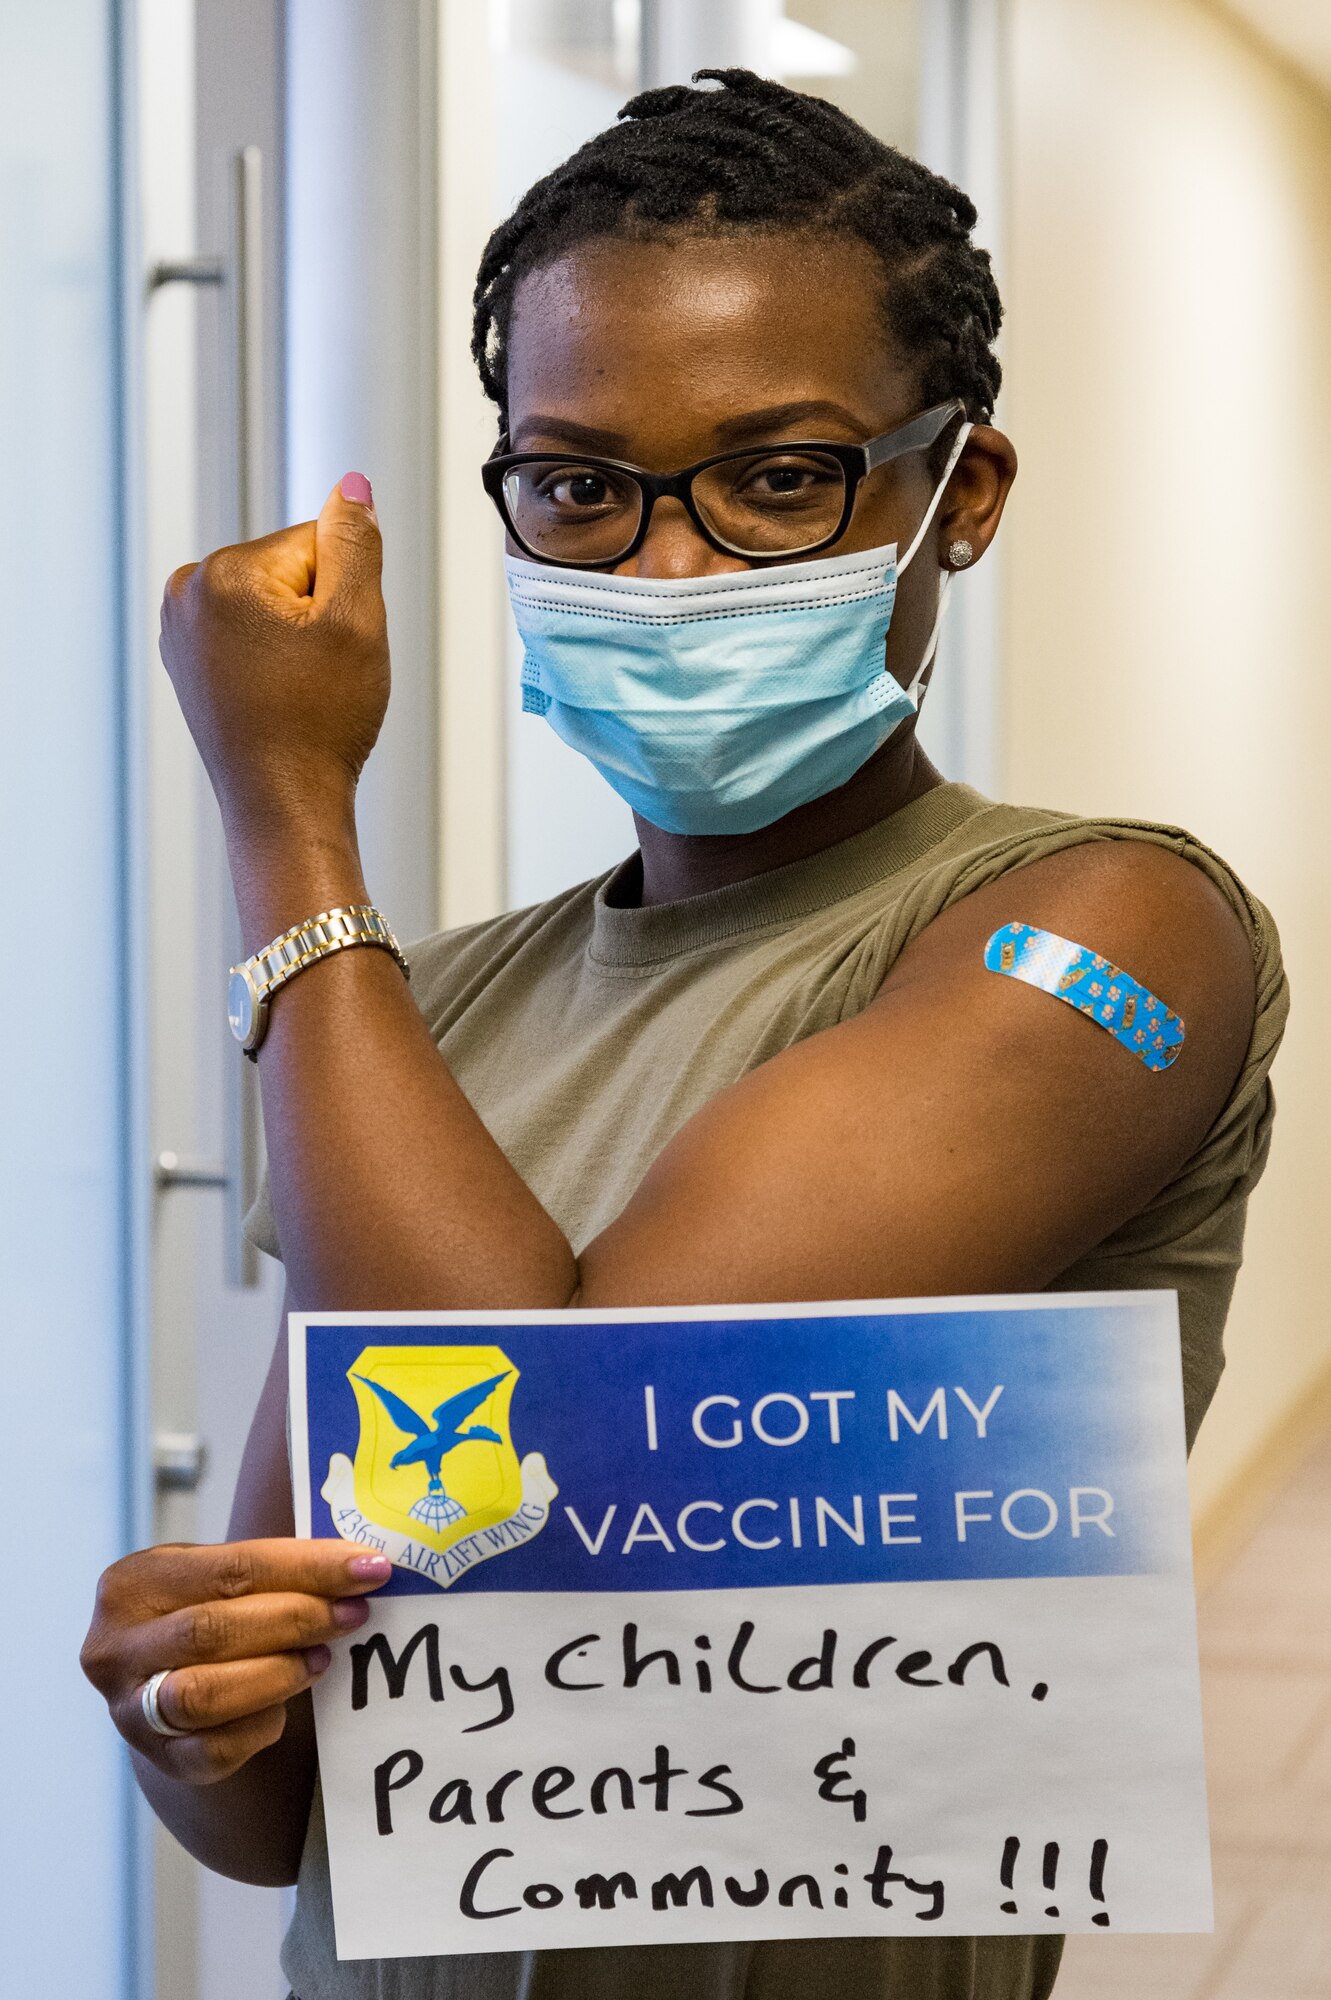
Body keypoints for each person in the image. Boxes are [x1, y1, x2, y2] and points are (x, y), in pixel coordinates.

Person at [81, 68, 1286, 2000]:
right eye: (577, 483)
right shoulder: (420, 1005)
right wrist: (181, 1699)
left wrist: (286, 811)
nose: (665, 567)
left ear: (957, 495)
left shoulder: (1103, 927)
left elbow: (563, 1492)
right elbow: (292, 1796)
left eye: (781, 475)